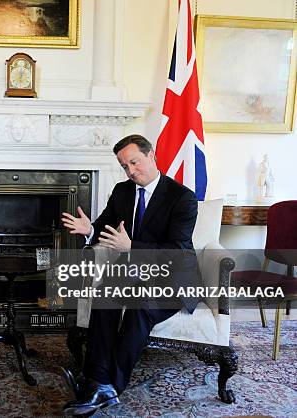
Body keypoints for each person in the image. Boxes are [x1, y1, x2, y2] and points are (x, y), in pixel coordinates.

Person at [60, 134, 199, 416]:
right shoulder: (123, 191)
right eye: (125, 166)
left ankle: (109, 385)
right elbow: (104, 227)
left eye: (134, 162)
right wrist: (90, 231)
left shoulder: (182, 198)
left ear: (151, 156)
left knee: (139, 308)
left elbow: (177, 251)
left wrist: (132, 247)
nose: (131, 171)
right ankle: (97, 380)